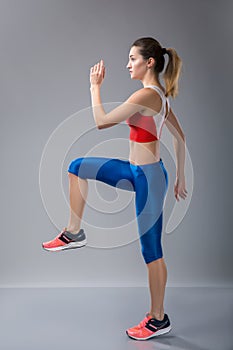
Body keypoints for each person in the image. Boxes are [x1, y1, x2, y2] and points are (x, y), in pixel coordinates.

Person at [42, 37, 187, 341]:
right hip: (135, 171)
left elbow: (102, 122)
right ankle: (74, 232)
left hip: (149, 178)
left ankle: (158, 319)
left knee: (152, 252)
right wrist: (180, 177)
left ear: (149, 62)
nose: (127, 64)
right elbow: (179, 136)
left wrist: (95, 87)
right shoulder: (161, 95)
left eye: (132, 59)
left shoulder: (148, 95)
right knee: (77, 166)